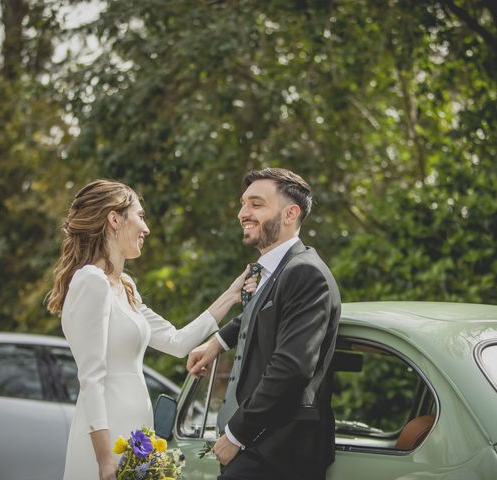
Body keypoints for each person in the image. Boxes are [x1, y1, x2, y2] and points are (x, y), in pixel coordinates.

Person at [46, 179, 256, 480]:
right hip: (107, 434)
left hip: (138, 432)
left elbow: (176, 341)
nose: (146, 229)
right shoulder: (90, 281)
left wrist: (232, 295)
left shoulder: (126, 286)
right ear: (114, 219)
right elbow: (91, 378)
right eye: (140, 216)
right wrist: (105, 460)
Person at [187, 168, 341, 480]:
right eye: (243, 204)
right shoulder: (279, 269)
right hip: (260, 450)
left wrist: (236, 435)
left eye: (256, 205)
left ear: (290, 214)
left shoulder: (305, 273)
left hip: (279, 453)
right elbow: (262, 313)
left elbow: (292, 366)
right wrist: (218, 342)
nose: (243, 213)